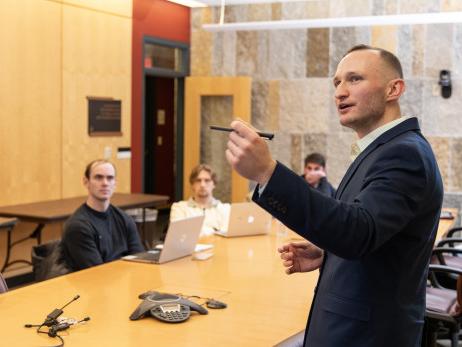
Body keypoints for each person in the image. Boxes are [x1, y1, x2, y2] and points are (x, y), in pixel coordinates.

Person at [225, 44, 443, 346]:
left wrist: (268, 172)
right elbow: (370, 232)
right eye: (337, 82)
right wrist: (329, 253)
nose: (340, 92)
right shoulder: (382, 151)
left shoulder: (403, 154)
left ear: (394, 89)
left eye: (354, 79)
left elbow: (357, 232)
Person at [60, 160, 144, 271]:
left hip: (125, 280)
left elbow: (140, 259)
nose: (105, 183)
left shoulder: (124, 219)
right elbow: (98, 273)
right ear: (86, 182)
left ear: (115, 183)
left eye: (110, 178)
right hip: (93, 285)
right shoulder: (78, 227)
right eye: (98, 177)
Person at [170, 164, 230, 237]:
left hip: (219, 247)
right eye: (198, 180)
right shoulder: (179, 208)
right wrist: (215, 230)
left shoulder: (225, 209)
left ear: (214, 184)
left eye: (207, 180)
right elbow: (178, 234)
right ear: (192, 184)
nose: (202, 185)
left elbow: (226, 234)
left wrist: (194, 230)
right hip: (192, 248)